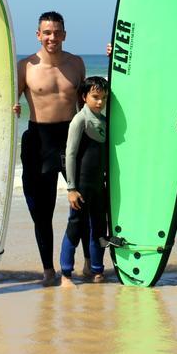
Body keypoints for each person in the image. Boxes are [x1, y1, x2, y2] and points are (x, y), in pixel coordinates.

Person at [15, 11, 86, 287]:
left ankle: (82, 264)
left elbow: (88, 104)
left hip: (71, 136)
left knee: (83, 203)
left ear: (64, 34)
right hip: (38, 140)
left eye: (56, 32)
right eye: (47, 32)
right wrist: (12, 107)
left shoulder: (76, 64)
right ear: (38, 35)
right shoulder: (26, 66)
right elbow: (9, 100)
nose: (52, 37)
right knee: (41, 210)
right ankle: (48, 269)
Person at [60, 76, 109, 287]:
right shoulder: (80, 120)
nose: (100, 102)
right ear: (84, 96)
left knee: (99, 226)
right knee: (75, 225)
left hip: (99, 185)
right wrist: (71, 188)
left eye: (103, 98)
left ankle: (96, 269)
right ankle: (66, 275)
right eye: (95, 97)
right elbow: (70, 155)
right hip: (81, 185)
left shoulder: (105, 121)